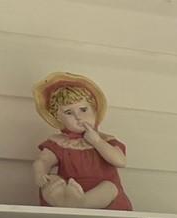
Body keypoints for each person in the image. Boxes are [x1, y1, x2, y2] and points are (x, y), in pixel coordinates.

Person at [33, 72, 130, 210]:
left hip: (102, 195)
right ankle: (68, 201)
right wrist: (40, 173)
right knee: (51, 181)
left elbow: (120, 161)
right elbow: (43, 160)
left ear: (95, 110)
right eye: (68, 113)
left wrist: (96, 141)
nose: (78, 117)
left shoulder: (106, 140)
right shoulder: (59, 142)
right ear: (58, 118)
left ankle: (80, 203)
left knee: (110, 187)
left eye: (83, 109)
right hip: (68, 189)